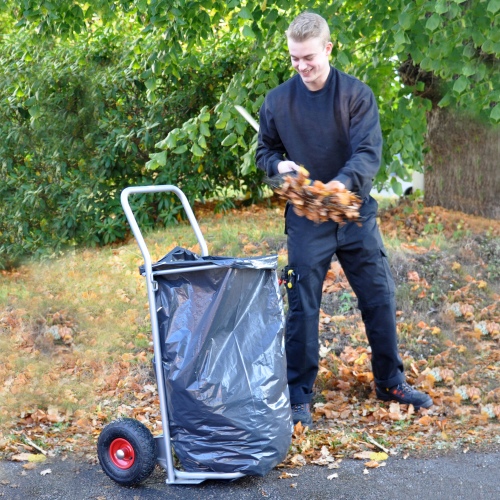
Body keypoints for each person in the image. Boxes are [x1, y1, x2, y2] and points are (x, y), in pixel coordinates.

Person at [256, 11, 433, 427]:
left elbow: (367, 153)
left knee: (380, 297)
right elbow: (264, 152)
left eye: (309, 58)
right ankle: (299, 394)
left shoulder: (356, 95)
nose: (301, 66)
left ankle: (389, 381)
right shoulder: (277, 101)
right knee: (302, 306)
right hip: (306, 217)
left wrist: (339, 184)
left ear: (328, 48)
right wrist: (279, 167)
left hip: (353, 214)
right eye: (294, 59)